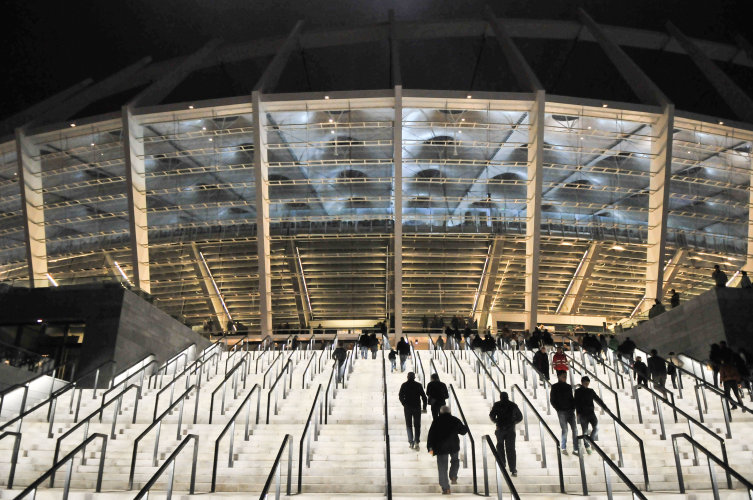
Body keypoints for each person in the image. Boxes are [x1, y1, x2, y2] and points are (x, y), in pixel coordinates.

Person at [427, 406, 468, 495]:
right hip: (453, 445)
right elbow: (463, 431)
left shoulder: (436, 421)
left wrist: (430, 447)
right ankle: (453, 476)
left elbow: (431, 434)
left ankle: (446, 488)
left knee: (442, 467)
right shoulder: (455, 420)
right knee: (455, 460)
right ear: (449, 412)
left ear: (440, 412)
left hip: (441, 447)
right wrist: (466, 427)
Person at [489, 391, 522, 476]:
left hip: (500, 428)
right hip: (510, 429)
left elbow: (492, 415)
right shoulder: (513, 405)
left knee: (500, 446)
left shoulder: (497, 404)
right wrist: (514, 422)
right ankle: (513, 468)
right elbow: (520, 417)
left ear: (500, 397)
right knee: (511, 449)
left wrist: (496, 421)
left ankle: (502, 464)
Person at [550, 371, 578, 455]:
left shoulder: (568, 387)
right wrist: (558, 408)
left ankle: (576, 448)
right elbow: (552, 399)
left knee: (575, 429)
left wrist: (573, 408)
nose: (565, 378)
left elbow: (571, 398)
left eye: (565, 376)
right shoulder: (555, 387)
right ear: (558, 377)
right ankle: (563, 447)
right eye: (563, 376)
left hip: (570, 411)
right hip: (561, 411)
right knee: (565, 429)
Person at [574, 376, 604, 455]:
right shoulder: (577, 391)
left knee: (596, 427)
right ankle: (587, 446)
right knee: (585, 431)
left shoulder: (590, 391)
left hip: (591, 413)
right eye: (585, 383)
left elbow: (597, 399)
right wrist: (577, 413)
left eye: (587, 383)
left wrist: (604, 407)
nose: (586, 385)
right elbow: (576, 402)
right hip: (583, 414)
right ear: (582, 382)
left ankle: (591, 441)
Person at [399, 372, 427, 450]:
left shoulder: (404, 385)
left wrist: (404, 403)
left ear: (407, 377)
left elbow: (400, 396)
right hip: (416, 407)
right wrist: (424, 407)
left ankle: (411, 442)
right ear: (414, 377)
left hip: (407, 407)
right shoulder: (418, 385)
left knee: (409, 425)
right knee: (417, 425)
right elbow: (424, 397)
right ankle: (417, 441)